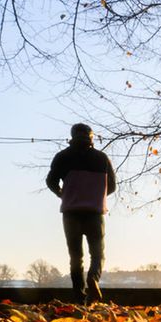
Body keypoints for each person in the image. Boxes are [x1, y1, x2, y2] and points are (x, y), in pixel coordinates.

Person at [47, 123, 117, 303]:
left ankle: (79, 295)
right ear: (91, 137)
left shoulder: (63, 157)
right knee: (98, 253)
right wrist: (97, 196)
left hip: (71, 213)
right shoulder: (102, 158)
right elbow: (113, 186)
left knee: (76, 257)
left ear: (72, 136)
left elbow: (50, 181)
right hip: (95, 213)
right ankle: (93, 278)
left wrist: (62, 194)